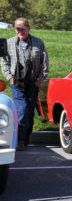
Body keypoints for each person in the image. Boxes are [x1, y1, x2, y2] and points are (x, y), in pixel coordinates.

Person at [1, 18, 49, 151]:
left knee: (29, 113)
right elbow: (4, 62)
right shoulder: (9, 43)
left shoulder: (38, 43)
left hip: (33, 83)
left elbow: (45, 63)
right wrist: (9, 77)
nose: (20, 31)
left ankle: (26, 137)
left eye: (22, 29)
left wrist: (39, 80)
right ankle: (20, 140)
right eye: (17, 29)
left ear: (28, 28)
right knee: (21, 110)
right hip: (16, 83)